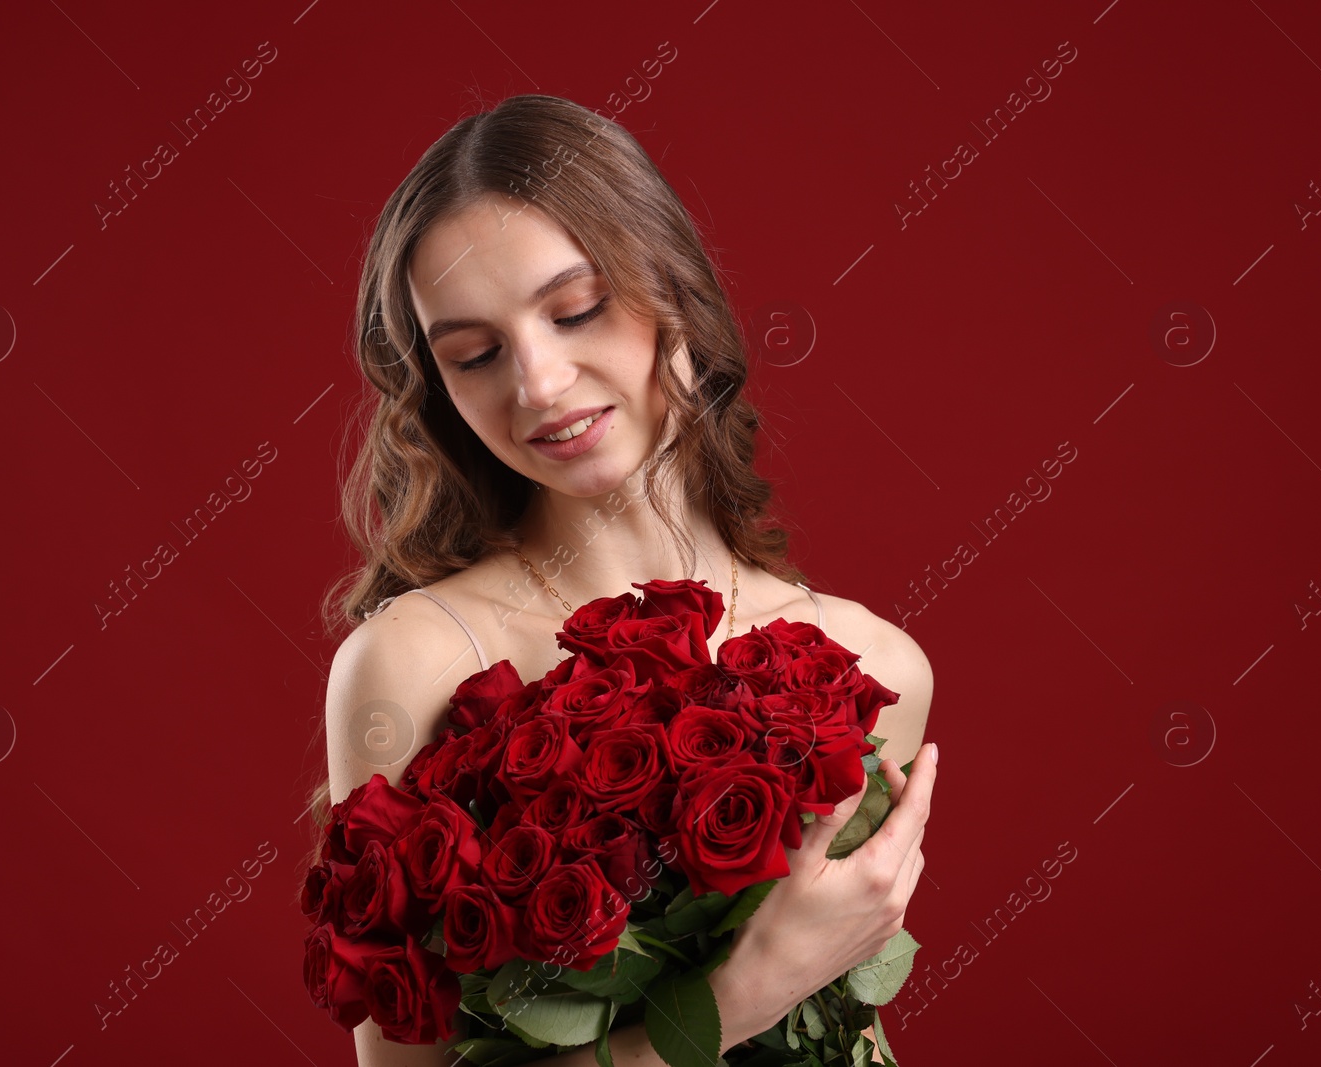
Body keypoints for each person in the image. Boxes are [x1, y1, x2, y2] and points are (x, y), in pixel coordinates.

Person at [303, 93, 938, 1067]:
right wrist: (743, 992)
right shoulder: (411, 660)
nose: (538, 383)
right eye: (474, 355)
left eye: (577, 309)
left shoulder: (870, 663)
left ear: (672, 284)